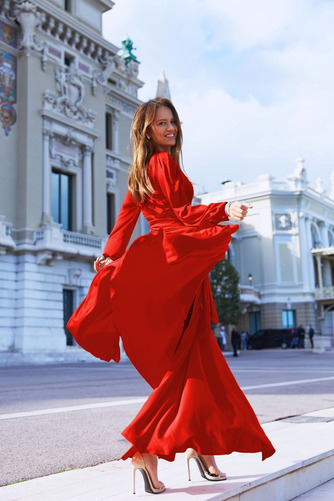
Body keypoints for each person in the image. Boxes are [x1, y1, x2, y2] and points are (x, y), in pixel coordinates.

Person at [67, 98, 275, 495]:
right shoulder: (161, 165)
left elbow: (125, 219)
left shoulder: (140, 173)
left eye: (173, 122)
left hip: (170, 266)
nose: (171, 128)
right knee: (188, 362)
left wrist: (109, 256)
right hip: (174, 264)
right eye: (162, 123)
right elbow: (180, 217)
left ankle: (201, 447)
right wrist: (222, 210)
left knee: (195, 360)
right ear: (147, 130)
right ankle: (146, 451)